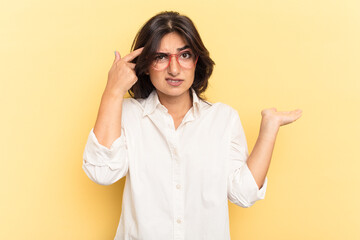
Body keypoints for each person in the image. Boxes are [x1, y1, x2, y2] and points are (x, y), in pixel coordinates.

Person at [82, 11, 302, 240]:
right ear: (145, 65)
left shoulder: (223, 119)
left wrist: (269, 128)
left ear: (196, 61)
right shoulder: (127, 114)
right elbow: (102, 172)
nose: (174, 69)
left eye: (184, 55)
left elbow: (243, 194)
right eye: (160, 57)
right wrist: (113, 90)